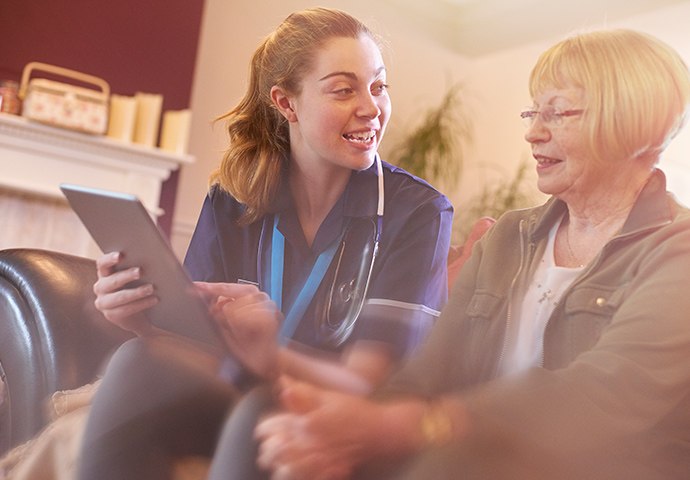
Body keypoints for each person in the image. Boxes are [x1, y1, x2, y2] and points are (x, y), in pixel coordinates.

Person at [250, 29, 690, 480]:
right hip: (463, 451)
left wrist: (405, 426)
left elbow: (601, 395)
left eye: (556, 114)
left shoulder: (677, 251)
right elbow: (426, 376)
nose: (533, 133)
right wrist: (340, 424)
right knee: (262, 418)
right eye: (533, 112)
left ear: (631, 122)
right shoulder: (509, 236)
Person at [76, 7, 453, 480]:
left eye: (378, 85)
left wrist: (271, 353)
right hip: (227, 396)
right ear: (287, 103)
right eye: (344, 89)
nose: (371, 106)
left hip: (329, 412)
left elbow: (368, 385)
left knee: (262, 412)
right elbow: (197, 344)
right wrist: (139, 320)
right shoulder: (233, 200)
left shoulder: (418, 213)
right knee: (137, 361)